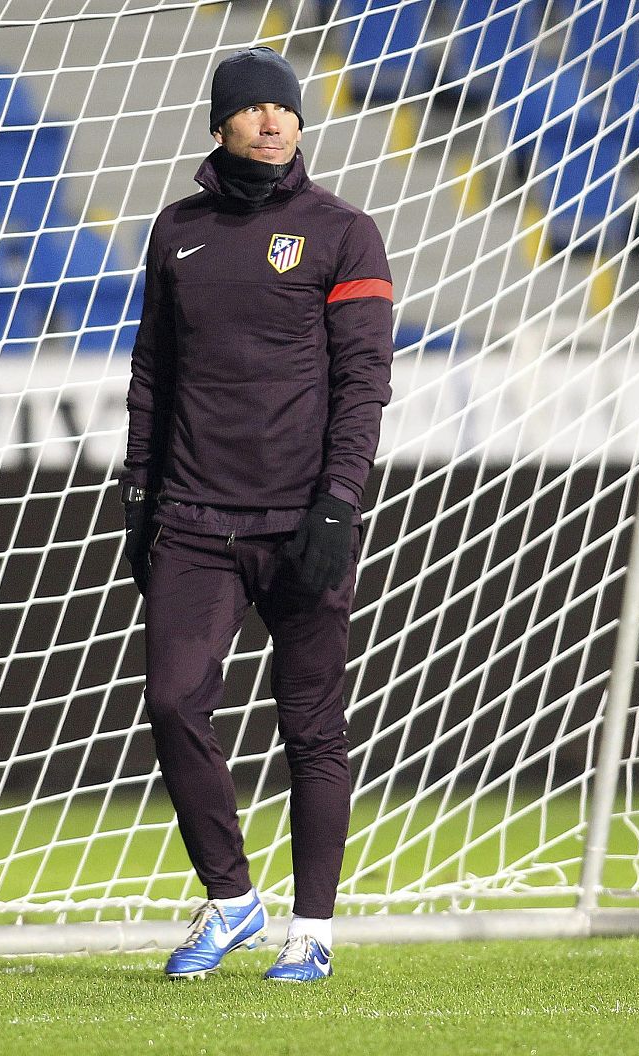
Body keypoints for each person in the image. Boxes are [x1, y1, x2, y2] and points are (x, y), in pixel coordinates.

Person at [120, 45, 394, 983]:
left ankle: (312, 931)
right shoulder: (177, 231)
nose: (275, 121)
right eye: (255, 109)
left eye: (287, 109)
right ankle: (232, 899)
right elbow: (152, 372)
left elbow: (364, 383)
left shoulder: (344, 232)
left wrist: (339, 503)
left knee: (312, 726)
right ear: (220, 125)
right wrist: (139, 494)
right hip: (195, 520)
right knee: (172, 701)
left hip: (304, 522)